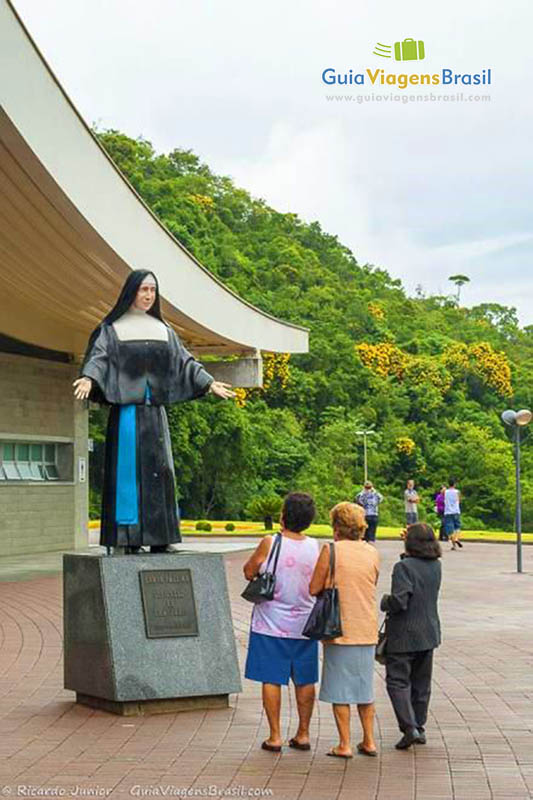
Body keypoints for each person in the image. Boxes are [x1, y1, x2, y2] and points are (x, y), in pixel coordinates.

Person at [73, 270, 234, 554]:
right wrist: (89, 377)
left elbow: (185, 362)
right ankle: (127, 538)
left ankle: (162, 537)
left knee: (161, 473)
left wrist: (208, 383)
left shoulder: (164, 330)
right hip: (126, 414)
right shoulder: (112, 329)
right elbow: (99, 357)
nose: (148, 295)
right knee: (128, 475)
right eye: (143, 289)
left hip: (155, 416)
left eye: (153, 290)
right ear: (131, 291)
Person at [243, 492, 320, 753]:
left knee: (271, 678)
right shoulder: (315, 546)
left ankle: (275, 735)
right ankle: (304, 733)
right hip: (305, 623)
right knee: (305, 679)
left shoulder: (270, 541)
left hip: (270, 622)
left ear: (283, 515)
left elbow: (249, 571)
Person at [310, 502, 380, 759]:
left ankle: (345, 744)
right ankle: (370, 740)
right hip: (367, 626)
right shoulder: (372, 552)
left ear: (337, 526)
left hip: (339, 627)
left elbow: (314, 588)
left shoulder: (331, 551)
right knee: (364, 687)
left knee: (341, 688)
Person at [381, 523, 442, 750]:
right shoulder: (436, 565)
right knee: (421, 683)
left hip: (404, 634)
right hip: (429, 632)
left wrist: (384, 601)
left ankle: (409, 728)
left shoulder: (403, 567)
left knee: (397, 681)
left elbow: (399, 601)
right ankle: (420, 726)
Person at [444, 479, 462, 550]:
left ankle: (454, 545)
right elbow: (459, 500)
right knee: (457, 527)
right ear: (454, 484)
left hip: (448, 512)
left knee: (450, 530)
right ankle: (456, 538)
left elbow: (442, 493)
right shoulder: (457, 492)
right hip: (456, 511)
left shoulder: (446, 492)